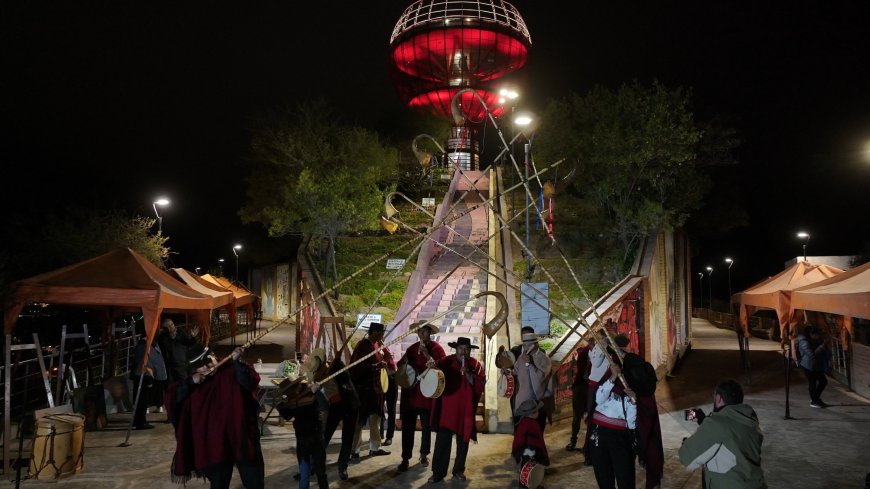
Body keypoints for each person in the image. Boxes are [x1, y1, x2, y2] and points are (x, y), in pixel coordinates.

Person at [166, 347, 265, 489]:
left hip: (242, 438)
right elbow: (173, 397)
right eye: (200, 368)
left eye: (208, 364)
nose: (206, 370)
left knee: (254, 483)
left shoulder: (231, 368)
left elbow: (250, 382)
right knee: (219, 484)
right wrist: (190, 382)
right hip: (216, 445)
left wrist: (237, 362)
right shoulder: (196, 381)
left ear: (213, 357)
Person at [679, 379, 767, 489]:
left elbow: (686, 457)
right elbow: (730, 435)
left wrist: (686, 443)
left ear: (719, 398)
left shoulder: (716, 425)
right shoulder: (750, 422)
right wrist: (704, 421)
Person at [429, 336, 486, 483]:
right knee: (442, 441)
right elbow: (435, 372)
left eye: (467, 349)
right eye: (461, 348)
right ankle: (438, 472)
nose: (464, 351)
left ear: (469, 351)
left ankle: (458, 470)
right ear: (456, 349)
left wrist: (468, 373)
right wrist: (431, 365)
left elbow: (479, 384)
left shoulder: (475, 365)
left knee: (463, 442)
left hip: (465, 410)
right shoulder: (446, 362)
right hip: (447, 410)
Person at [615, 334, 664, 489]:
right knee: (651, 447)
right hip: (645, 410)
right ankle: (654, 482)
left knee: (632, 451)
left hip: (635, 417)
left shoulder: (629, 365)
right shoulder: (637, 361)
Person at [396, 323, 446, 472]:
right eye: (420, 331)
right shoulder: (412, 348)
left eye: (424, 331)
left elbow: (441, 367)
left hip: (426, 395)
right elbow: (401, 366)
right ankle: (405, 457)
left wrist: (426, 355)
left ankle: (424, 454)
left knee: (426, 427)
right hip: (411, 396)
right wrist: (403, 363)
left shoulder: (437, 348)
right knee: (407, 427)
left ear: (430, 333)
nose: (422, 334)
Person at [306, 348, 359, 481]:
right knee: (324, 437)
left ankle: (343, 467)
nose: (317, 374)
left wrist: (338, 362)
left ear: (323, 364)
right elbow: (324, 403)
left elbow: (347, 379)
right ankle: (313, 466)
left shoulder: (336, 366)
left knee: (347, 438)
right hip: (335, 407)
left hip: (350, 405)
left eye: (318, 370)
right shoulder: (319, 379)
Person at [589, 363, 637, 489]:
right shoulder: (608, 385)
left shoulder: (631, 393)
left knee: (625, 477)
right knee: (603, 475)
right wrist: (612, 378)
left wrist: (633, 402)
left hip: (619, 438)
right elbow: (599, 399)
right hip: (599, 434)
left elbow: (631, 424)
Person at [349, 322, 390, 459]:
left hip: (375, 390)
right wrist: (374, 366)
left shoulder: (377, 345)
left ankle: (374, 447)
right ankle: (354, 450)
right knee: (359, 422)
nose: (382, 335)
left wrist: (382, 363)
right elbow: (356, 367)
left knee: (375, 419)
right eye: (381, 333)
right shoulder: (362, 345)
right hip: (363, 390)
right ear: (374, 333)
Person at [281, 377, 330, 489]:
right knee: (304, 475)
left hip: (316, 438)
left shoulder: (310, 392)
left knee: (321, 473)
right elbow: (287, 415)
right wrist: (284, 401)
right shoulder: (292, 399)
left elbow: (325, 406)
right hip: (302, 441)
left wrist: (317, 392)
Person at [157, 319, 200, 421]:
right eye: (168, 327)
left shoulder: (180, 332)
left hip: (181, 366)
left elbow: (189, 343)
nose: (172, 327)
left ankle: (185, 413)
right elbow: (165, 348)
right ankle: (171, 416)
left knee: (185, 389)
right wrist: (172, 337)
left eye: (172, 325)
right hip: (169, 368)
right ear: (165, 329)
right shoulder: (162, 337)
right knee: (171, 392)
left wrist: (193, 337)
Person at [511, 332, 552, 431]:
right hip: (521, 400)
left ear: (535, 345)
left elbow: (542, 378)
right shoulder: (521, 357)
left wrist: (530, 364)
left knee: (535, 431)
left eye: (528, 345)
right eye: (524, 345)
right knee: (521, 430)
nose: (525, 348)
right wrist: (507, 371)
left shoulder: (544, 359)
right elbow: (515, 371)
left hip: (536, 402)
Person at [131, 332, 167, 430]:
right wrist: (149, 378)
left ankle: (139, 421)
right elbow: (144, 363)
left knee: (141, 400)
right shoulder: (144, 347)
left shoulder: (144, 345)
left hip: (142, 375)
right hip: (143, 376)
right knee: (142, 400)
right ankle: (141, 422)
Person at [511, 399, 550, 489]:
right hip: (532, 452)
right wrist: (543, 455)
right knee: (530, 469)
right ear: (530, 414)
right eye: (536, 411)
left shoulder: (523, 422)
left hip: (526, 452)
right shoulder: (532, 424)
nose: (538, 413)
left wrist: (517, 451)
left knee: (526, 469)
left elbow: (518, 440)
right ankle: (528, 485)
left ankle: (526, 485)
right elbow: (538, 441)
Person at [566, 342, 592, 452]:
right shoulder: (584, 353)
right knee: (578, 417)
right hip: (584, 387)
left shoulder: (600, 353)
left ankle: (586, 446)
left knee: (589, 418)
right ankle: (574, 440)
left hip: (589, 387)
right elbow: (580, 372)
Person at [796, 325, 830, 408]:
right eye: (816, 334)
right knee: (813, 383)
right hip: (808, 365)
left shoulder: (813, 339)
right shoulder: (804, 342)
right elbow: (812, 354)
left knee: (823, 381)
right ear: (811, 334)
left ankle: (815, 398)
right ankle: (814, 401)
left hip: (816, 365)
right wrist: (823, 346)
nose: (818, 336)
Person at [381, 347, 398, 447]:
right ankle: (380, 433)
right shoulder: (372, 347)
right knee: (380, 409)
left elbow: (393, 367)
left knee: (391, 409)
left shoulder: (384, 347)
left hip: (391, 379)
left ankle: (389, 436)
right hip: (380, 379)